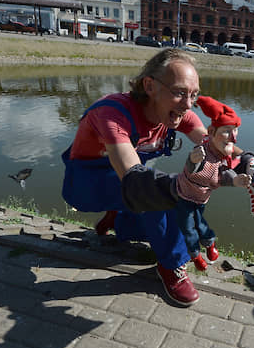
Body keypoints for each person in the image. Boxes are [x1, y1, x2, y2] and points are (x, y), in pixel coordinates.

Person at [61, 49, 241, 307]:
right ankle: (171, 267)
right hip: (86, 185)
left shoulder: (176, 113)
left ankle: (120, 220)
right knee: (171, 198)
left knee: (159, 206)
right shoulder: (112, 113)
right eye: (179, 92)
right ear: (150, 86)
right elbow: (134, 177)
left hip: (122, 182)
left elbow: (215, 146)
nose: (188, 104)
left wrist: (251, 163)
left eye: (194, 95)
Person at [175, 96, 250, 271]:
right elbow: (192, 169)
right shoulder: (202, 150)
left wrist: (236, 180)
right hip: (184, 196)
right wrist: (193, 161)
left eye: (235, 131)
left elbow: (222, 176)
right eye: (227, 131)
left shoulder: (223, 155)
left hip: (201, 199)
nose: (233, 138)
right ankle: (195, 256)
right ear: (211, 132)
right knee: (188, 228)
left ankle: (209, 244)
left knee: (200, 224)